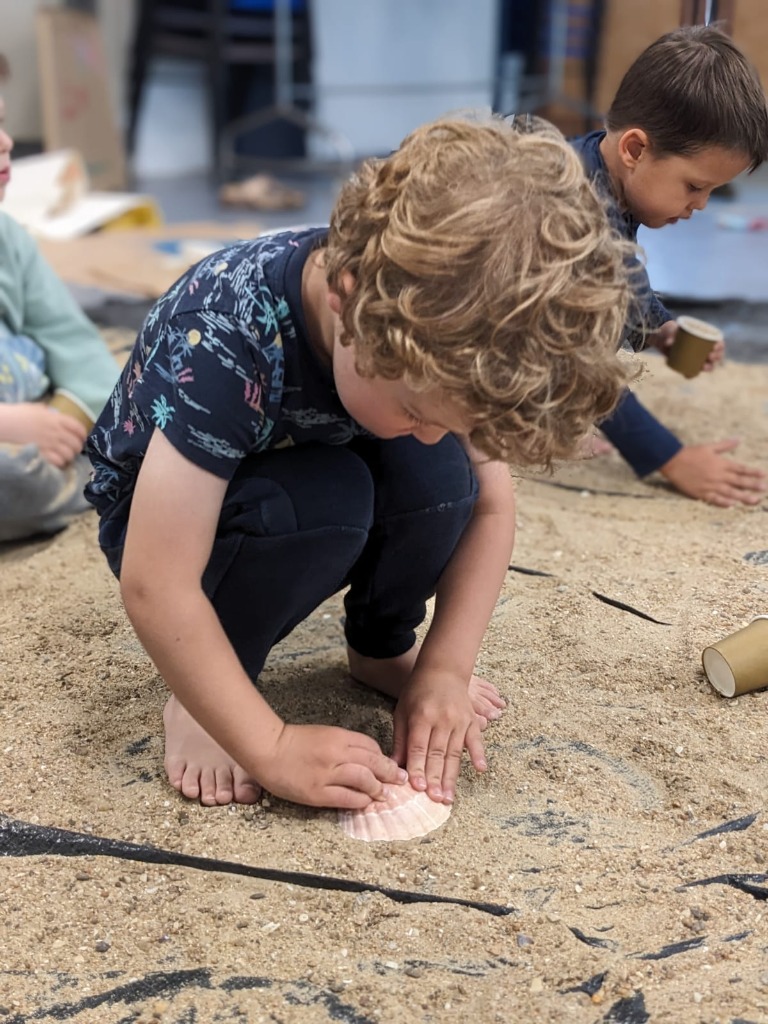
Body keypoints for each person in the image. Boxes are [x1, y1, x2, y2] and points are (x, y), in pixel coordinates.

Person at [85, 113, 633, 811]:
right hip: (159, 519)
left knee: (445, 478)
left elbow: (492, 505)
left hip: (307, 461)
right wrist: (269, 745)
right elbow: (155, 582)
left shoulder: (434, 335)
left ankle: (379, 649)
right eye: (417, 409)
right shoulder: (227, 333)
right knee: (332, 499)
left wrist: (445, 666)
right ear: (345, 300)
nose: (432, 433)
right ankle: (204, 696)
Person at [570, 24, 768, 508]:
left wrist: (660, 329)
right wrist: (670, 457)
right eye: (694, 186)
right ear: (636, 150)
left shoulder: (598, 166)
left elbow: (622, 275)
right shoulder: (570, 219)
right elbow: (578, 362)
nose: (701, 205)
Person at [0, 54, 119, 542]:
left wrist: (56, 426)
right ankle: (90, 481)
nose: (7, 143)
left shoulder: (9, 239)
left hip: (37, 424)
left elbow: (78, 346)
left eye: (2, 123)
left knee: (155, 385)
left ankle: (83, 471)